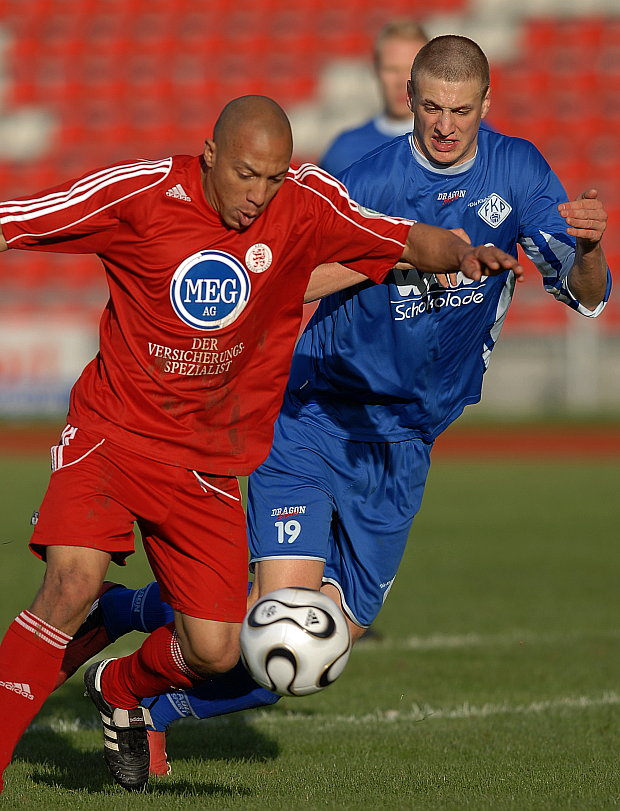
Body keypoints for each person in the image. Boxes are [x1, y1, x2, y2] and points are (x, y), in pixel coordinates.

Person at [62, 35, 610, 777]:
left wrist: (587, 250)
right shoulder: (368, 179)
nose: (445, 125)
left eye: (460, 110)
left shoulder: (518, 171)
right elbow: (288, 276)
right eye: (431, 107)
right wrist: (387, 258)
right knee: (277, 638)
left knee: (323, 651)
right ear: (409, 101)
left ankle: (129, 625)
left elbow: (586, 292)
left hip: (406, 442)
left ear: (486, 104)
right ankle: (136, 700)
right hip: (317, 417)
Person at [0, 93, 520, 794]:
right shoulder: (141, 194)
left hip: (209, 459)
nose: (259, 195)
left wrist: (461, 253)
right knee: (70, 582)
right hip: (113, 434)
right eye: (247, 175)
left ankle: (120, 687)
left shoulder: (305, 202)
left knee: (215, 650)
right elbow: (18, 220)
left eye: (274, 177)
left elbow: (400, 237)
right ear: (210, 154)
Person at [320, 19, 428, 176]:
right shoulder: (344, 150)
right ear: (376, 70)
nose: (402, 81)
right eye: (392, 69)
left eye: (411, 69)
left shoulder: (461, 143)